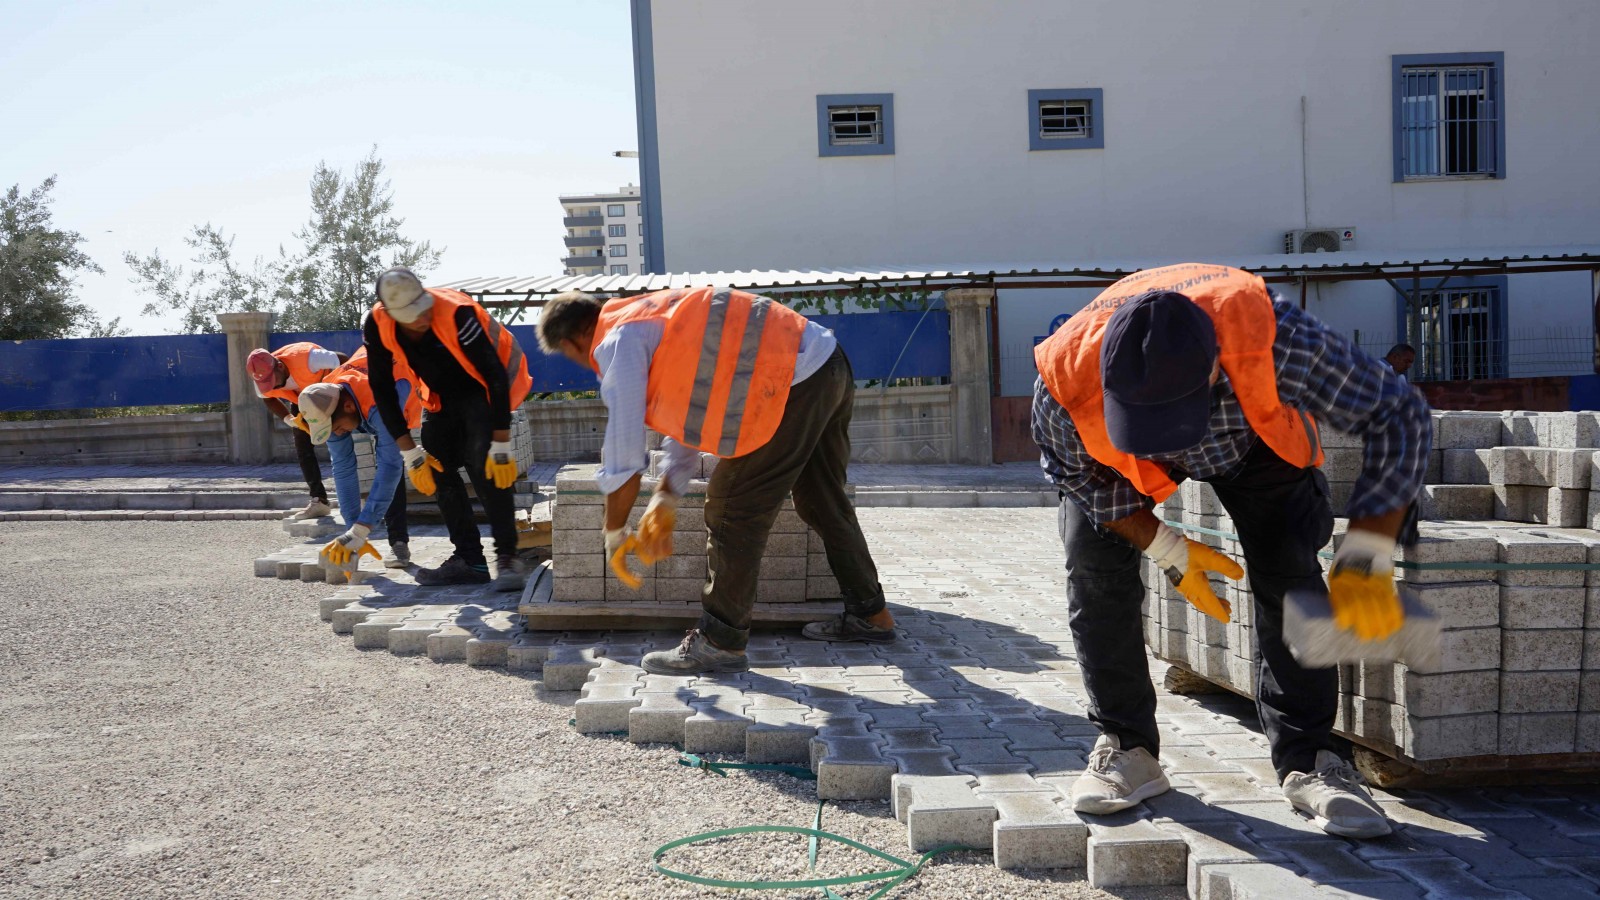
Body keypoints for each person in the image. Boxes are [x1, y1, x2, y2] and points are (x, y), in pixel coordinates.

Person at [1031, 263, 1431, 839]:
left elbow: (1399, 415)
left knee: (1291, 568)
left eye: (1174, 420)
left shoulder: (1279, 341)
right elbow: (1081, 479)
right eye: (1145, 423)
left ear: (1218, 366)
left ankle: (1311, 761)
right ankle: (1126, 748)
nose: (1168, 445)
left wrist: (1368, 552)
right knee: (1092, 570)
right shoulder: (1063, 380)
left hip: (1251, 448)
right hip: (1116, 469)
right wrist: (1169, 546)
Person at [536, 287, 895, 676]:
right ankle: (870, 614)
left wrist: (613, 532)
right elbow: (691, 414)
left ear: (573, 341)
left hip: (790, 378)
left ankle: (720, 642)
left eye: (570, 355)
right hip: (826, 362)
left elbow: (624, 454)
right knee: (820, 496)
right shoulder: (655, 316)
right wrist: (667, 497)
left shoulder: (619, 340)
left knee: (732, 506)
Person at [365, 267, 534, 591]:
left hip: (481, 389)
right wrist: (409, 452)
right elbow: (382, 388)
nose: (421, 318)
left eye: (422, 308)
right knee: (437, 461)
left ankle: (508, 557)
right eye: (411, 316)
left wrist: (500, 441)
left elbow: (494, 374)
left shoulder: (458, 314)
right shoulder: (378, 324)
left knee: (484, 464)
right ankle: (469, 560)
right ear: (390, 313)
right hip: (440, 396)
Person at [295, 349, 423, 570]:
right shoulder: (327, 396)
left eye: (335, 428)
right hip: (370, 390)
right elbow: (343, 468)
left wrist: (362, 528)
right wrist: (351, 531)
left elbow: (390, 467)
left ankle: (399, 542)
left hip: (418, 379)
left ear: (348, 406)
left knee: (393, 468)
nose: (337, 434)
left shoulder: (380, 402)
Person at [246, 342, 347, 520]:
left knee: (342, 440)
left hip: (331, 393)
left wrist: (342, 393)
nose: (271, 385)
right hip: (303, 400)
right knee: (303, 448)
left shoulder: (309, 359)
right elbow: (268, 399)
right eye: (265, 383)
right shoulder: (261, 378)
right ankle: (320, 501)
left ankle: (362, 494)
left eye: (272, 380)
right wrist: (289, 419)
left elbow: (344, 360)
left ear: (279, 366)